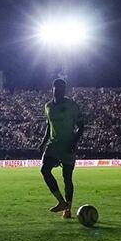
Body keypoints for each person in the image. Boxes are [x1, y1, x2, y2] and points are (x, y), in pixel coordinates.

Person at [39, 78, 84, 218]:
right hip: (54, 144)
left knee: (67, 178)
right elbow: (48, 126)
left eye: (62, 89)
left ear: (65, 90)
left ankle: (68, 208)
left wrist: (73, 143)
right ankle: (61, 202)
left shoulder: (72, 106)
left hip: (68, 145)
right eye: (57, 89)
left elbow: (81, 127)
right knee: (44, 170)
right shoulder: (48, 106)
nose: (59, 91)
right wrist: (43, 142)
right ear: (53, 89)